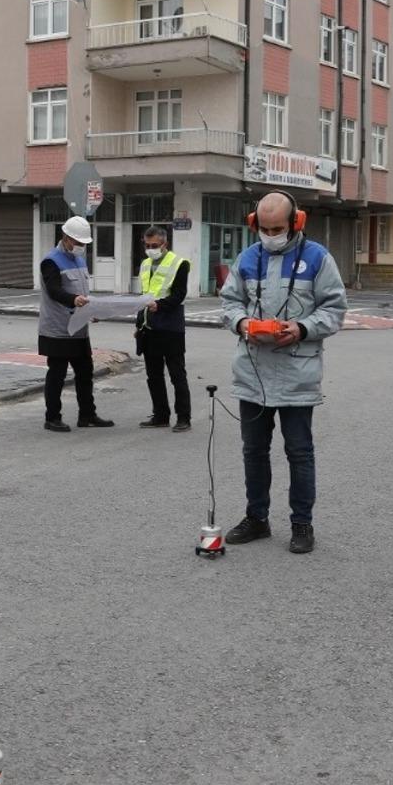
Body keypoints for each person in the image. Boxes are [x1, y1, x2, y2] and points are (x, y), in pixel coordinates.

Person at [219, 190, 348, 555]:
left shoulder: (318, 259)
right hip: (253, 373)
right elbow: (229, 303)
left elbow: (335, 308)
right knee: (254, 452)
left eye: (278, 228)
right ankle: (257, 518)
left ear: (297, 223)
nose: (271, 234)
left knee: (300, 453)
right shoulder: (246, 258)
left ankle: (301, 524)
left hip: (297, 375)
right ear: (253, 224)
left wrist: (303, 328)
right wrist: (243, 322)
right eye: (264, 228)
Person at [38, 215, 114, 432]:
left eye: (84, 244)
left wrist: (91, 311)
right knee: (57, 375)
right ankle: (52, 418)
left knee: (85, 373)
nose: (81, 247)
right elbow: (54, 291)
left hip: (79, 329)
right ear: (67, 238)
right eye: (79, 243)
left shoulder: (79, 259)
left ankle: (87, 415)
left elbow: (83, 293)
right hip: (58, 329)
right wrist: (74, 300)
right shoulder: (50, 261)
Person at [135, 225, 191, 432]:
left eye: (154, 245)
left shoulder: (179, 264)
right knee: (154, 375)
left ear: (165, 244)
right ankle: (161, 415)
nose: (150, 249)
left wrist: (160, 305)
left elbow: (179, 295)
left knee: (177, 374)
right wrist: (138, 324)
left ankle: (183, 418)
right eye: (147, 245)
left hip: (171, 327)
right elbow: (144, 295)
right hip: (149, 327)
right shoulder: (145, 264)